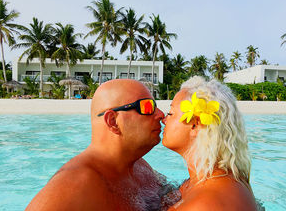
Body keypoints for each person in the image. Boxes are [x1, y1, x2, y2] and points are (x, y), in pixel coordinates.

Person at [26, 79, 167, 211]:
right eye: (147, 107)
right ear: (113, 121)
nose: (161, 114)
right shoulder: (75, 185)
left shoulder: (141, 168)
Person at [162, 76, 257, 211]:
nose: (164, 120)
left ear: (195, 124)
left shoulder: (204, 204)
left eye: (170, 113)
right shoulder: (227, 178)